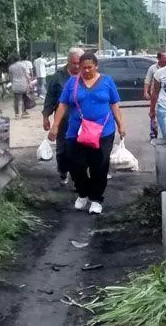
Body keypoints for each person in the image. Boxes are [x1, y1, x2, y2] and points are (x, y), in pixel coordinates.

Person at [47, 52, 126, 215]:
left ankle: (96, 199)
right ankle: (83, 193)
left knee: (100, 165)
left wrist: (120, 126)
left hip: (103, 131)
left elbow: (114, 105)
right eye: (83, 68)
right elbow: (62, 105)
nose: (86, 71)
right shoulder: (72, 82)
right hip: (76, 130)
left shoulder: (107, 81)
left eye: (90, 67)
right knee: (76, 164)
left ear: (96, 66)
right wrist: (55, 126)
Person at [43, 48, 83, 186]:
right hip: (63, 121)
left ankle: (78, 177)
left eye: (79, 63)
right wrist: (46, 117)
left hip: (82, 121)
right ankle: (63, 171)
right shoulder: (59, 76)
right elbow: (50, 97)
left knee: (80, 149)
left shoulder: (87, 74)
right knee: (63, 149)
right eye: (74, 63)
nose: (77, 66)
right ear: (68, 61)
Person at [144, 50, 166, 139]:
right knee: (153, 112)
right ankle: (153, 132)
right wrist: (145, 92)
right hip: (155, 94)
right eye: (164, 57)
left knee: (165, 114)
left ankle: (165, 132)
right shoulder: (152, 68)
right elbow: (147, 80)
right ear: (158, 58)